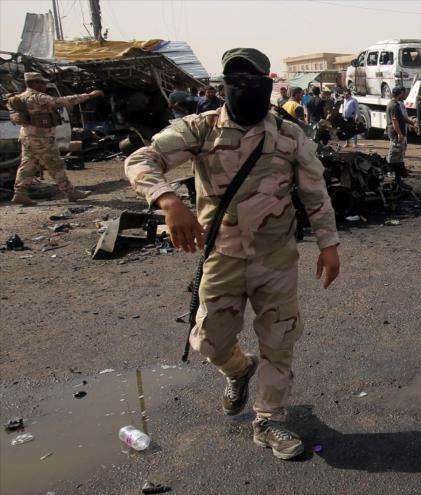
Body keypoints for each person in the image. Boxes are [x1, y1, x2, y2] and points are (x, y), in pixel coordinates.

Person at [124, 48, 341, 460]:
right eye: (234, 81)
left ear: (267, 84)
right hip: (221, 256)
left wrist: (329, 245)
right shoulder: (200, 129)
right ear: (223, 85)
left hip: (276, 258)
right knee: (209, 341)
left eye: (252, 81)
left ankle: (269, 420)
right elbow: (141, 160)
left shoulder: (289, 135)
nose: (243, 88)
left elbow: (316, 193)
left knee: (280, 340)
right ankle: (239, 370)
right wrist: (168, 200)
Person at [9, 72, 103, 206]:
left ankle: (20, 193)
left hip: (27, 137)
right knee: (55, 165)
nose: (44, 85)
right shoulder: (37, 97)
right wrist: (89, 95)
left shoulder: (22, 97)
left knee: (28, 164)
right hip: (42, 139)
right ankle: (71, 193)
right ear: (34, 83)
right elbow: (62, 101)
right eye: (41, 83)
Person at [386, 86, 415, 172]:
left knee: (399, 152)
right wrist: (399, 134)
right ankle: (390, 170)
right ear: (399, 94)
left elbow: (401, 118)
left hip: (398, 132)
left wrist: (411, 123)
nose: (404, 95)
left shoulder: (396, 104)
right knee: (394, 152)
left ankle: (398, 170)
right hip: (396, 134)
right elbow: (394, 121)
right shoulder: (394, 105)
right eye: (402, 93)